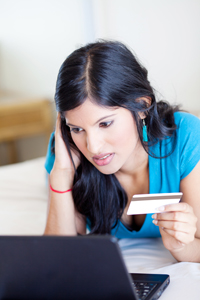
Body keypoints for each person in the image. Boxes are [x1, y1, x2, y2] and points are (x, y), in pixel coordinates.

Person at [44, 40, 200, 262]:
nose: (93, 147)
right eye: (77, 129)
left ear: (142, 107)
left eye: (105, 124)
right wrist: (61, 175)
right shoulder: (65, 153)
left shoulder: (186, 137)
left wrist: (181, 248)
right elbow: (56, 260)